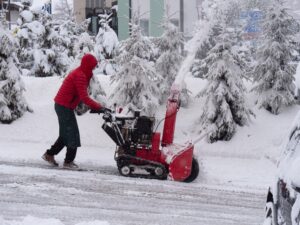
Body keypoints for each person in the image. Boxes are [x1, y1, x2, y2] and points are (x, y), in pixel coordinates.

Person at [42, 53, 108, 169]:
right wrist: (98, 106)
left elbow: (81, 95)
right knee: (72, 134)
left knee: (65, 134)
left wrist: (95, 106)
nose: (93, 68)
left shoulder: (82, 73)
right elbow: (84, 97)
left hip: (63, 105)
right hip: (63, 106)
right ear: (87, 65)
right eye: (92, 66)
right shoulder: (80, 75)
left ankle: (49, 154)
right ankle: (68, 162)